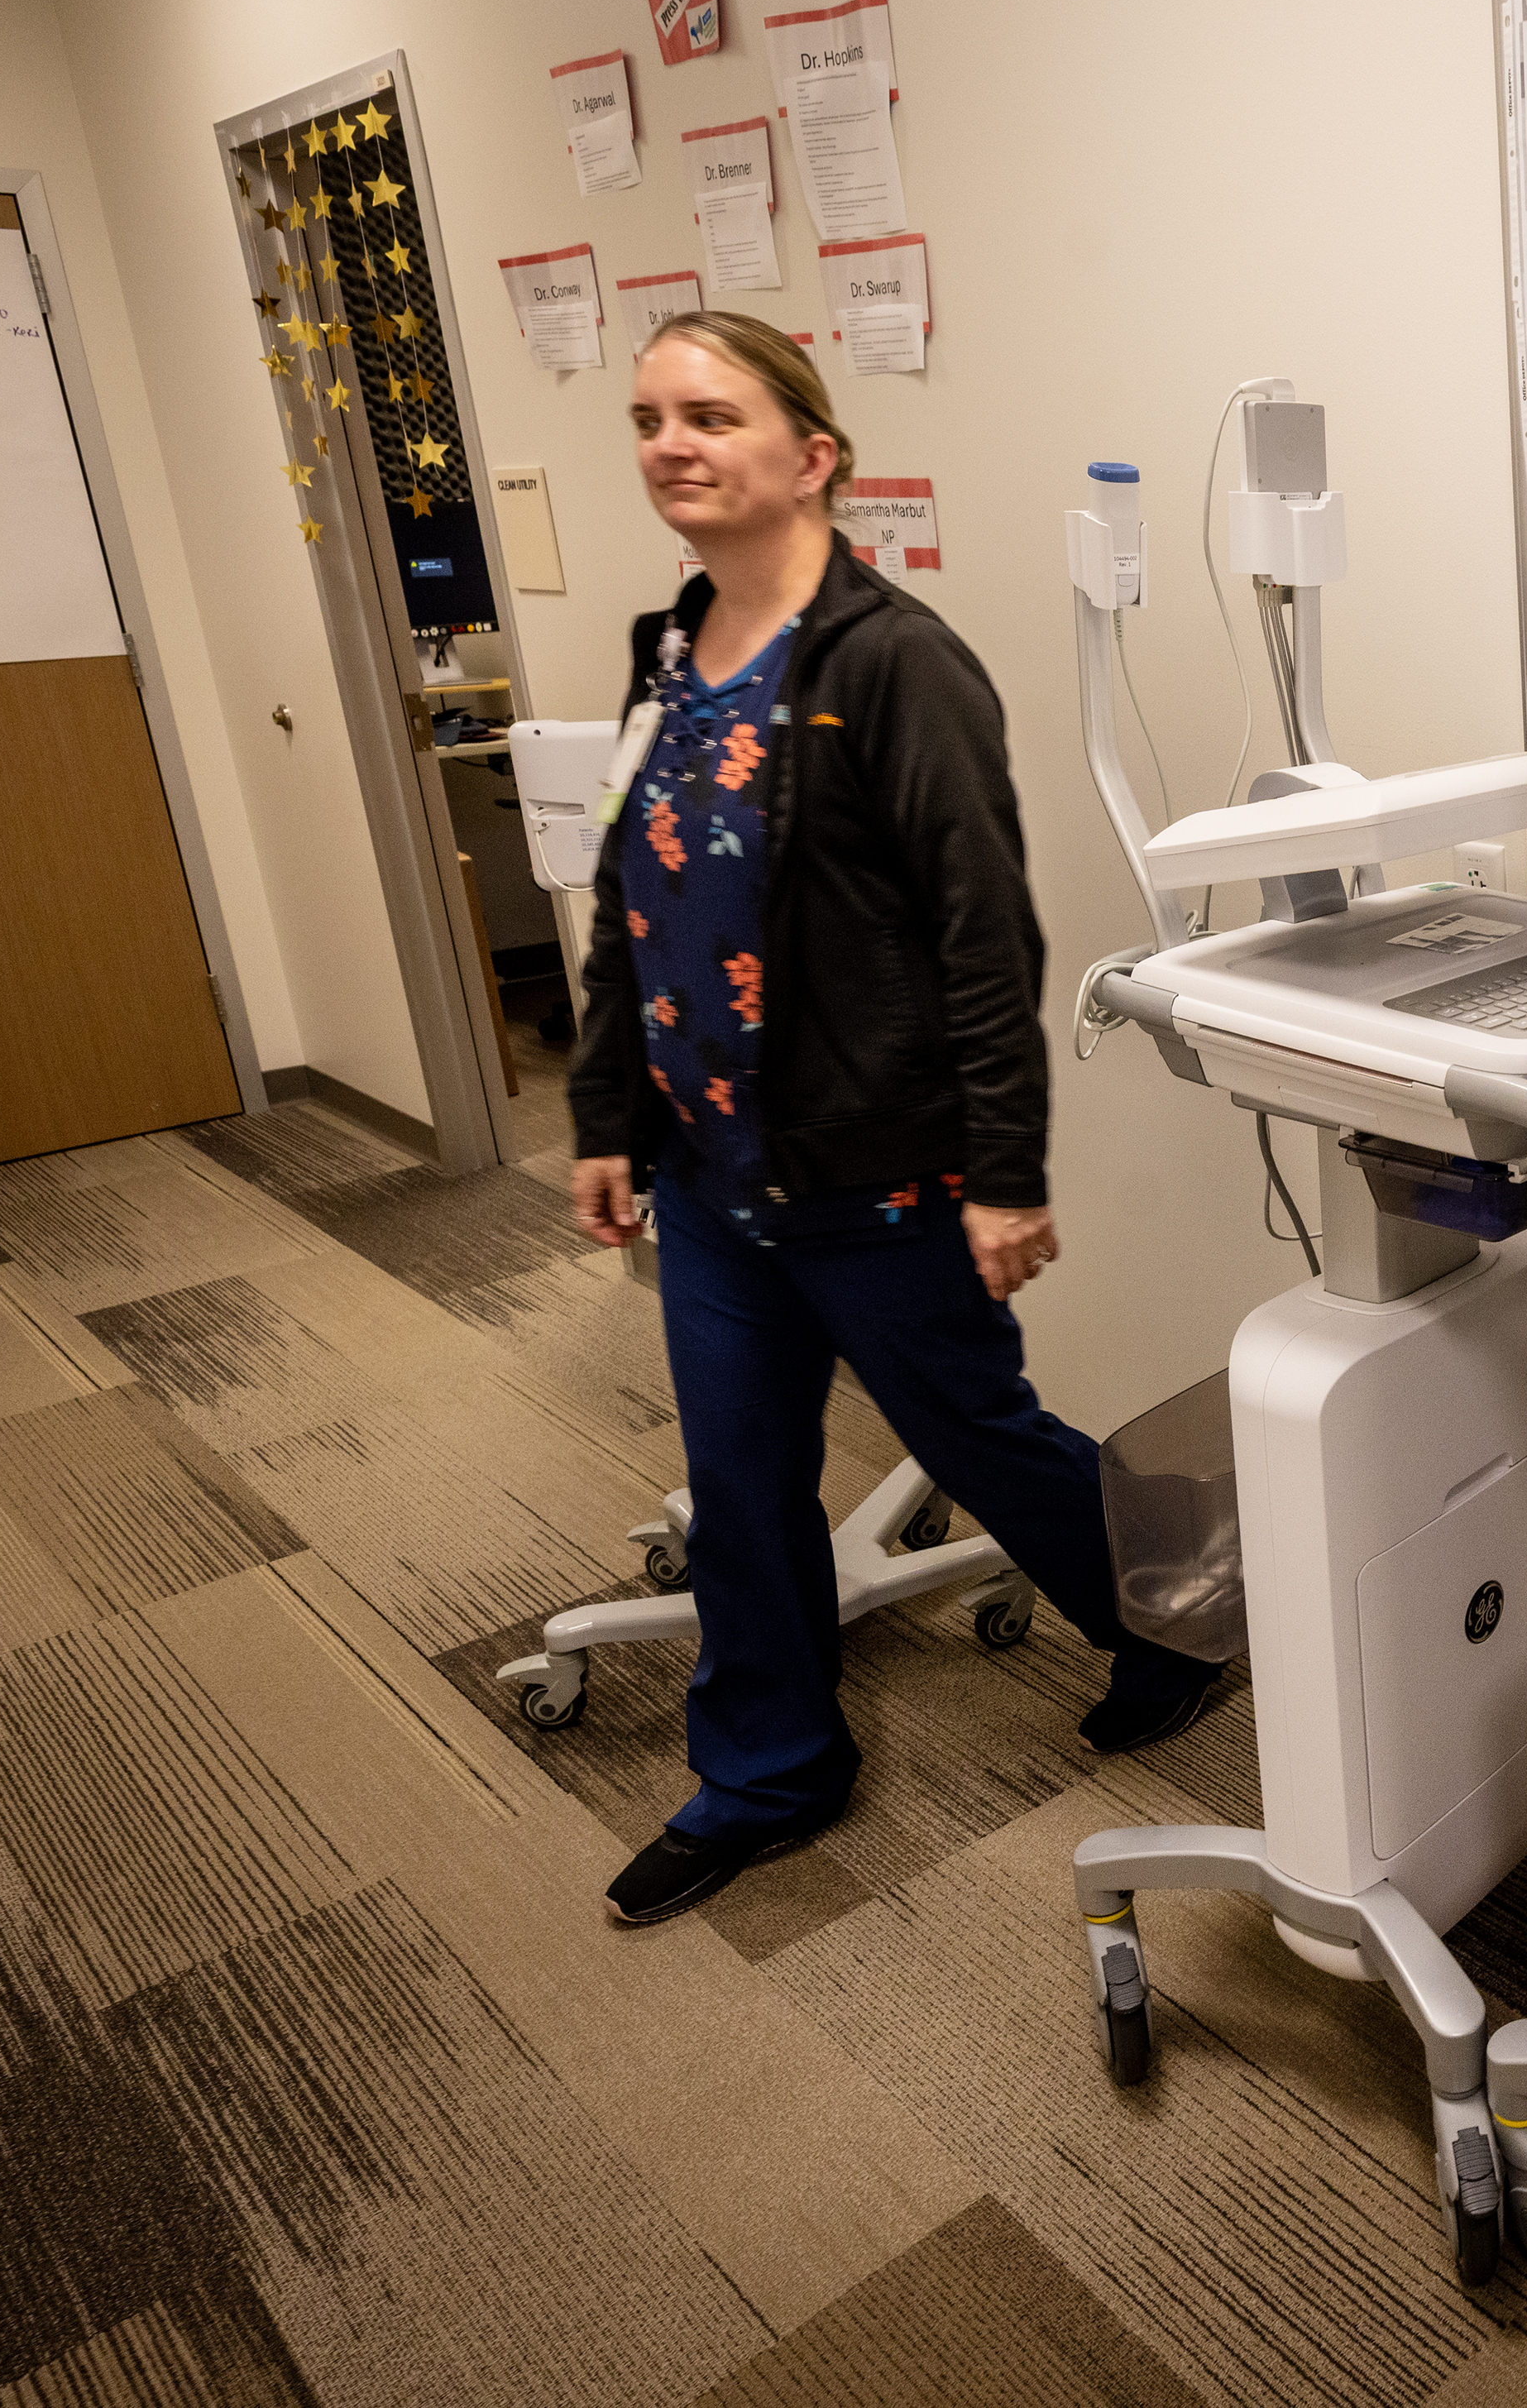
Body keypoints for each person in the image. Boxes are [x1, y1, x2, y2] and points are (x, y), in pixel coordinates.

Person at [567, 312, 1218, 1927]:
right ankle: (769, 1770)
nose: (671, 442)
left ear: (814, 453)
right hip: (715, 1178)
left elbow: (982, 939)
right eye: (650, 416)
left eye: (711, 412)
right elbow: (625, 904)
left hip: (873, 1170)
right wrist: (604, 1113)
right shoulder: (664, 652)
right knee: (740, 1478)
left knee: (979, 1436)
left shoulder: (892, 663)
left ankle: (1168, 1626)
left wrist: (1003, 1173)